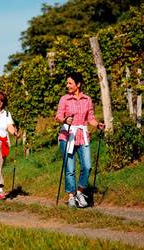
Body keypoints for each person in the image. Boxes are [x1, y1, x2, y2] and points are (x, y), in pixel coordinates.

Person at [55, 72, 104, 208]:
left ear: (78, 84)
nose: (67, 85)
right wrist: (65, 119)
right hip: (67, 137)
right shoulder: (64, 99)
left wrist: (97, 124)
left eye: (70, 83)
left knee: (87, 166)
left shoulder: (87, 99)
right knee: (70, 169)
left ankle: (79, 193)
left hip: (82, 136)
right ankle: (71, 197)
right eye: (67, 83)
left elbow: (91, 118)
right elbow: (58, 116)